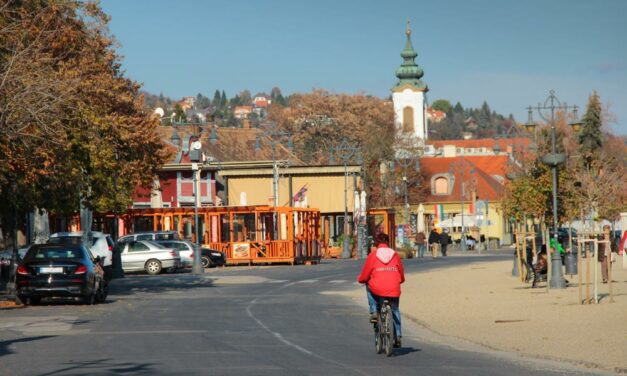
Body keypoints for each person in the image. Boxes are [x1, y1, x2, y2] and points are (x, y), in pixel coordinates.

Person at [357, 232, 405, 348]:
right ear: (388, 242)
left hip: (377, 288)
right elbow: (401, 274)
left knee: (368, 285)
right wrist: (399, 280)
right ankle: (398, 334)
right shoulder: (395, 255)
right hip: (394, 288)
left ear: (376, 243)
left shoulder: (373, 255)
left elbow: (365, 274)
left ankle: (374, 310)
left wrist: (361, 280)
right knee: (395, 309)